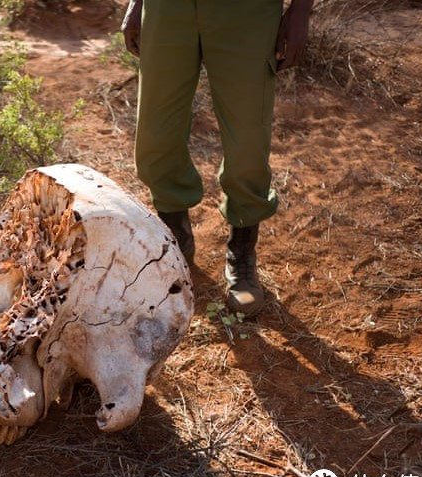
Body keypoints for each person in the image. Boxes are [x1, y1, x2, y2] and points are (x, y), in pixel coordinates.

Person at [121, 0, 312, 316]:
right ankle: (176, 243)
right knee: (156, 136)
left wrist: (301, 9)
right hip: (168, 11)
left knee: (248, 141)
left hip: (245, 13)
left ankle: (242, 253)